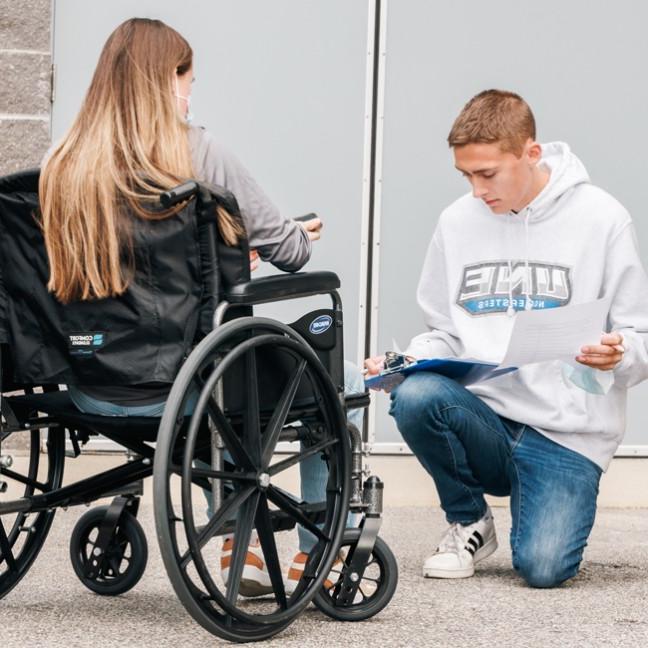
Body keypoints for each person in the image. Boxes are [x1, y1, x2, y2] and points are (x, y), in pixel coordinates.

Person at [40, 17, 362, 595]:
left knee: (221, 357)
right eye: (190, 80)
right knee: (326, 386)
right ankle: (318, 551)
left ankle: (242, 539)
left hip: (87, 385)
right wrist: (292, 232)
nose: (193, 94)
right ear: (169, 83)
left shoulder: (62, 167)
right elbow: (289, 251)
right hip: (185, 384)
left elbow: (111, 275)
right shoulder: (197, 152)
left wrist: (229, 258)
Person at [365, 89, 648, 588]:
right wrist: (406, 361)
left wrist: (619, 354)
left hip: (567, 436)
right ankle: (468, 519)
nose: (477, 190)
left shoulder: (602, 218)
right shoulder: (456, 222)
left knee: (543, 569)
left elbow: (638, 333)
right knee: (416, 394)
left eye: (488, 174)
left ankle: (537, 501)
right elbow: (446, 332)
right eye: (466, 175)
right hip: (487, 420)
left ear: (531, 154)